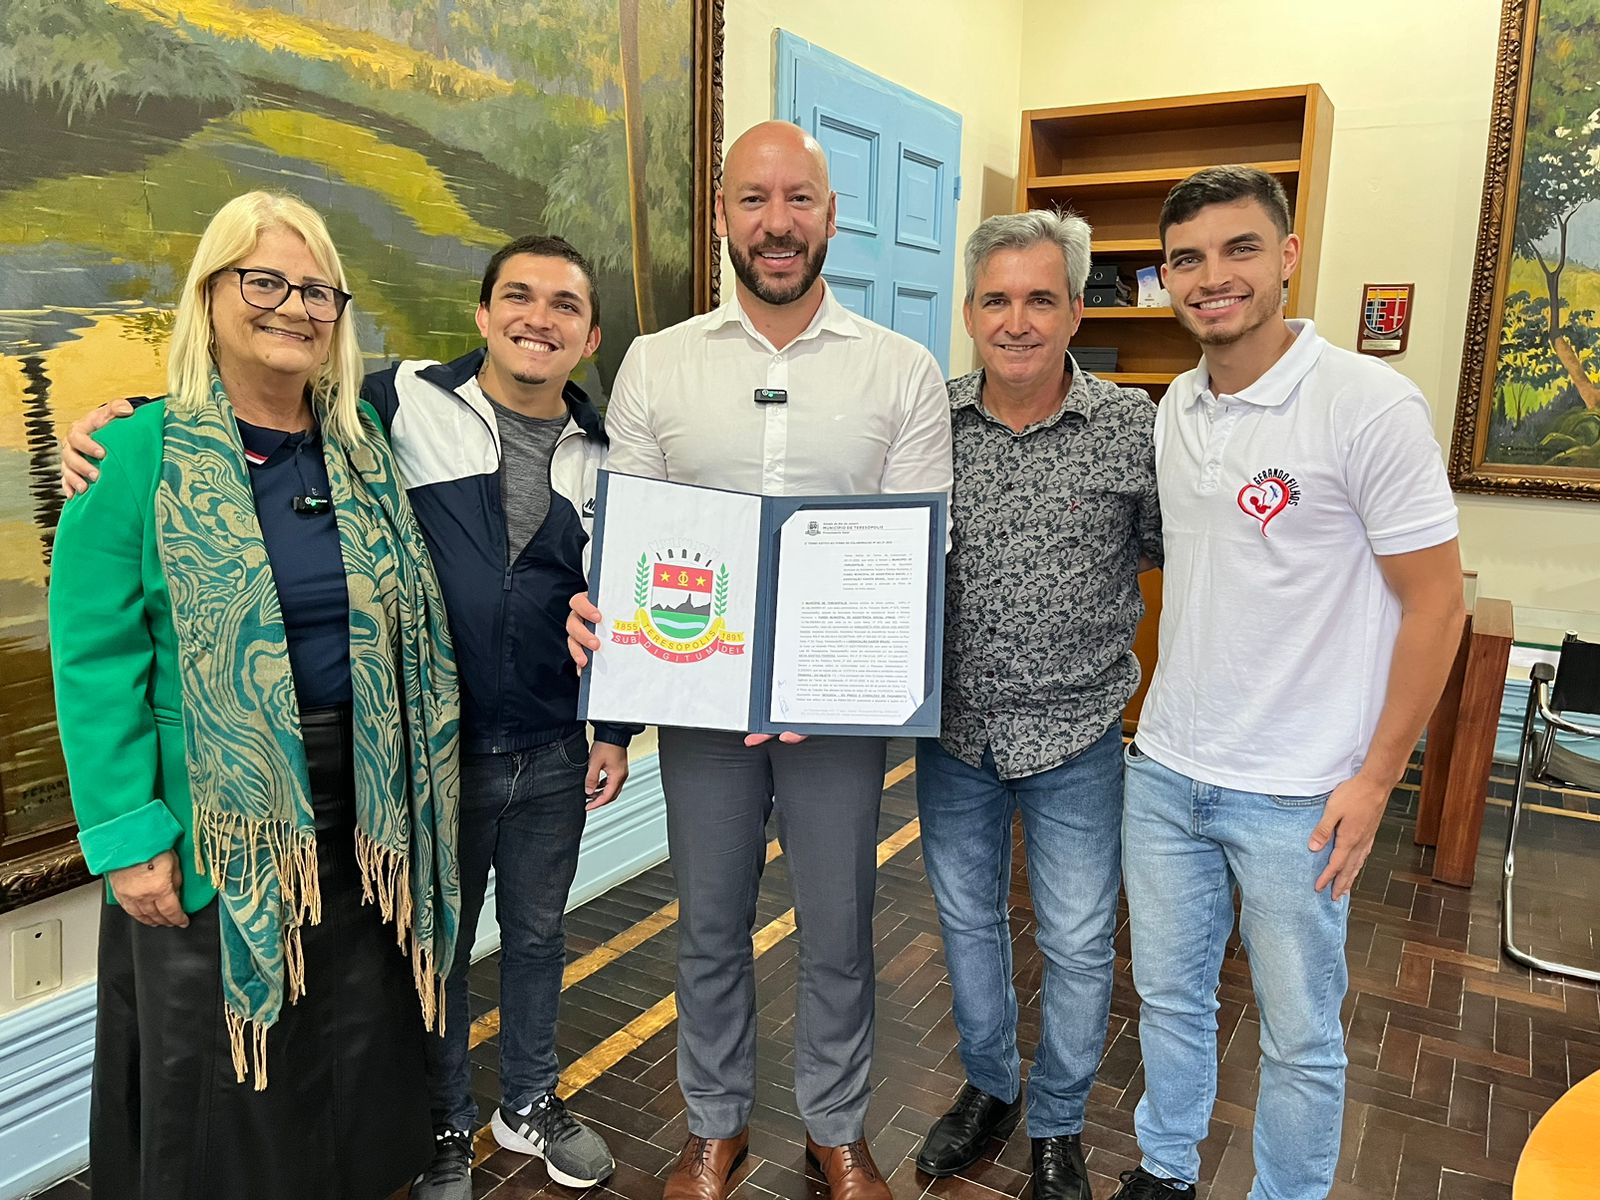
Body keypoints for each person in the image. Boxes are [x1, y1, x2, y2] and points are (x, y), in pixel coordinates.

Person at [60, 235, 637, 1200]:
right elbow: (240, 390)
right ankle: (445, 1127)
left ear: (591, 338)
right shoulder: (396, 405)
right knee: (431, 955)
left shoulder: (606, 452)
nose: (539, 319)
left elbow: (641, 595)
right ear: (483, 315)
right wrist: (119, 416)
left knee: (517, 946)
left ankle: (526, 1103)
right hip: (412, 766)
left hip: (495, 758)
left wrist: (612, 726)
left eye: (565, 305)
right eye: (518, 296)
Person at [49, 190, 461, 1200]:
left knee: (349, 1057)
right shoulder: (134, 453)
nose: (294, 307)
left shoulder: (364, 443)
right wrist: (128, 837)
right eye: (265, 281)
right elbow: (94, 657)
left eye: (317, 290)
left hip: (366, 813)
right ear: (211, 293)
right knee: (228, 1077)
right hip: (212, 821)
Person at [567, 120, 952, 1200]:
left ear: (831, 215)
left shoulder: (901, 371)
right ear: (723, 215)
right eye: (753, 199)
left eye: (798, 200)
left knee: (839, 928)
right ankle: (714, 1127)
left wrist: (817, 673)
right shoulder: (659, 363)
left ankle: (837, 1129)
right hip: (699, 702)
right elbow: (624, 537)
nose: (776, 224)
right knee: (708, 925)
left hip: (839, 709)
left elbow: (921, 551)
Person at [1111, 166, 1465, 1200]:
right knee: (1169, 999)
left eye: (1239, 249)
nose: (1211, 277)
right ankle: (1166, 1168)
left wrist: (1376, 778)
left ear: (1288, 257)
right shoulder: (1175, 408)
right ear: (1165, 278)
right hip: (1165, 768)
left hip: (1299, 790)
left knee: (1300, 1033)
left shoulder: (1367, 405)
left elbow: (1436, 604)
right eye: (1185, 259)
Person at [912, 210, 1160, 1200]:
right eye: (996, 301)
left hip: (1078, 736)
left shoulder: (1131, 428)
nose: (1016, 321)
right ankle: (990, 1087)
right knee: (967, 924)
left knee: (1077, 941)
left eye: (1040, 299)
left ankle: (1058, 1122)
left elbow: (1171, 550)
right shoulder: (927, 422)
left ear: (1074, 311)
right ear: (971, 312)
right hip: (954, 732)